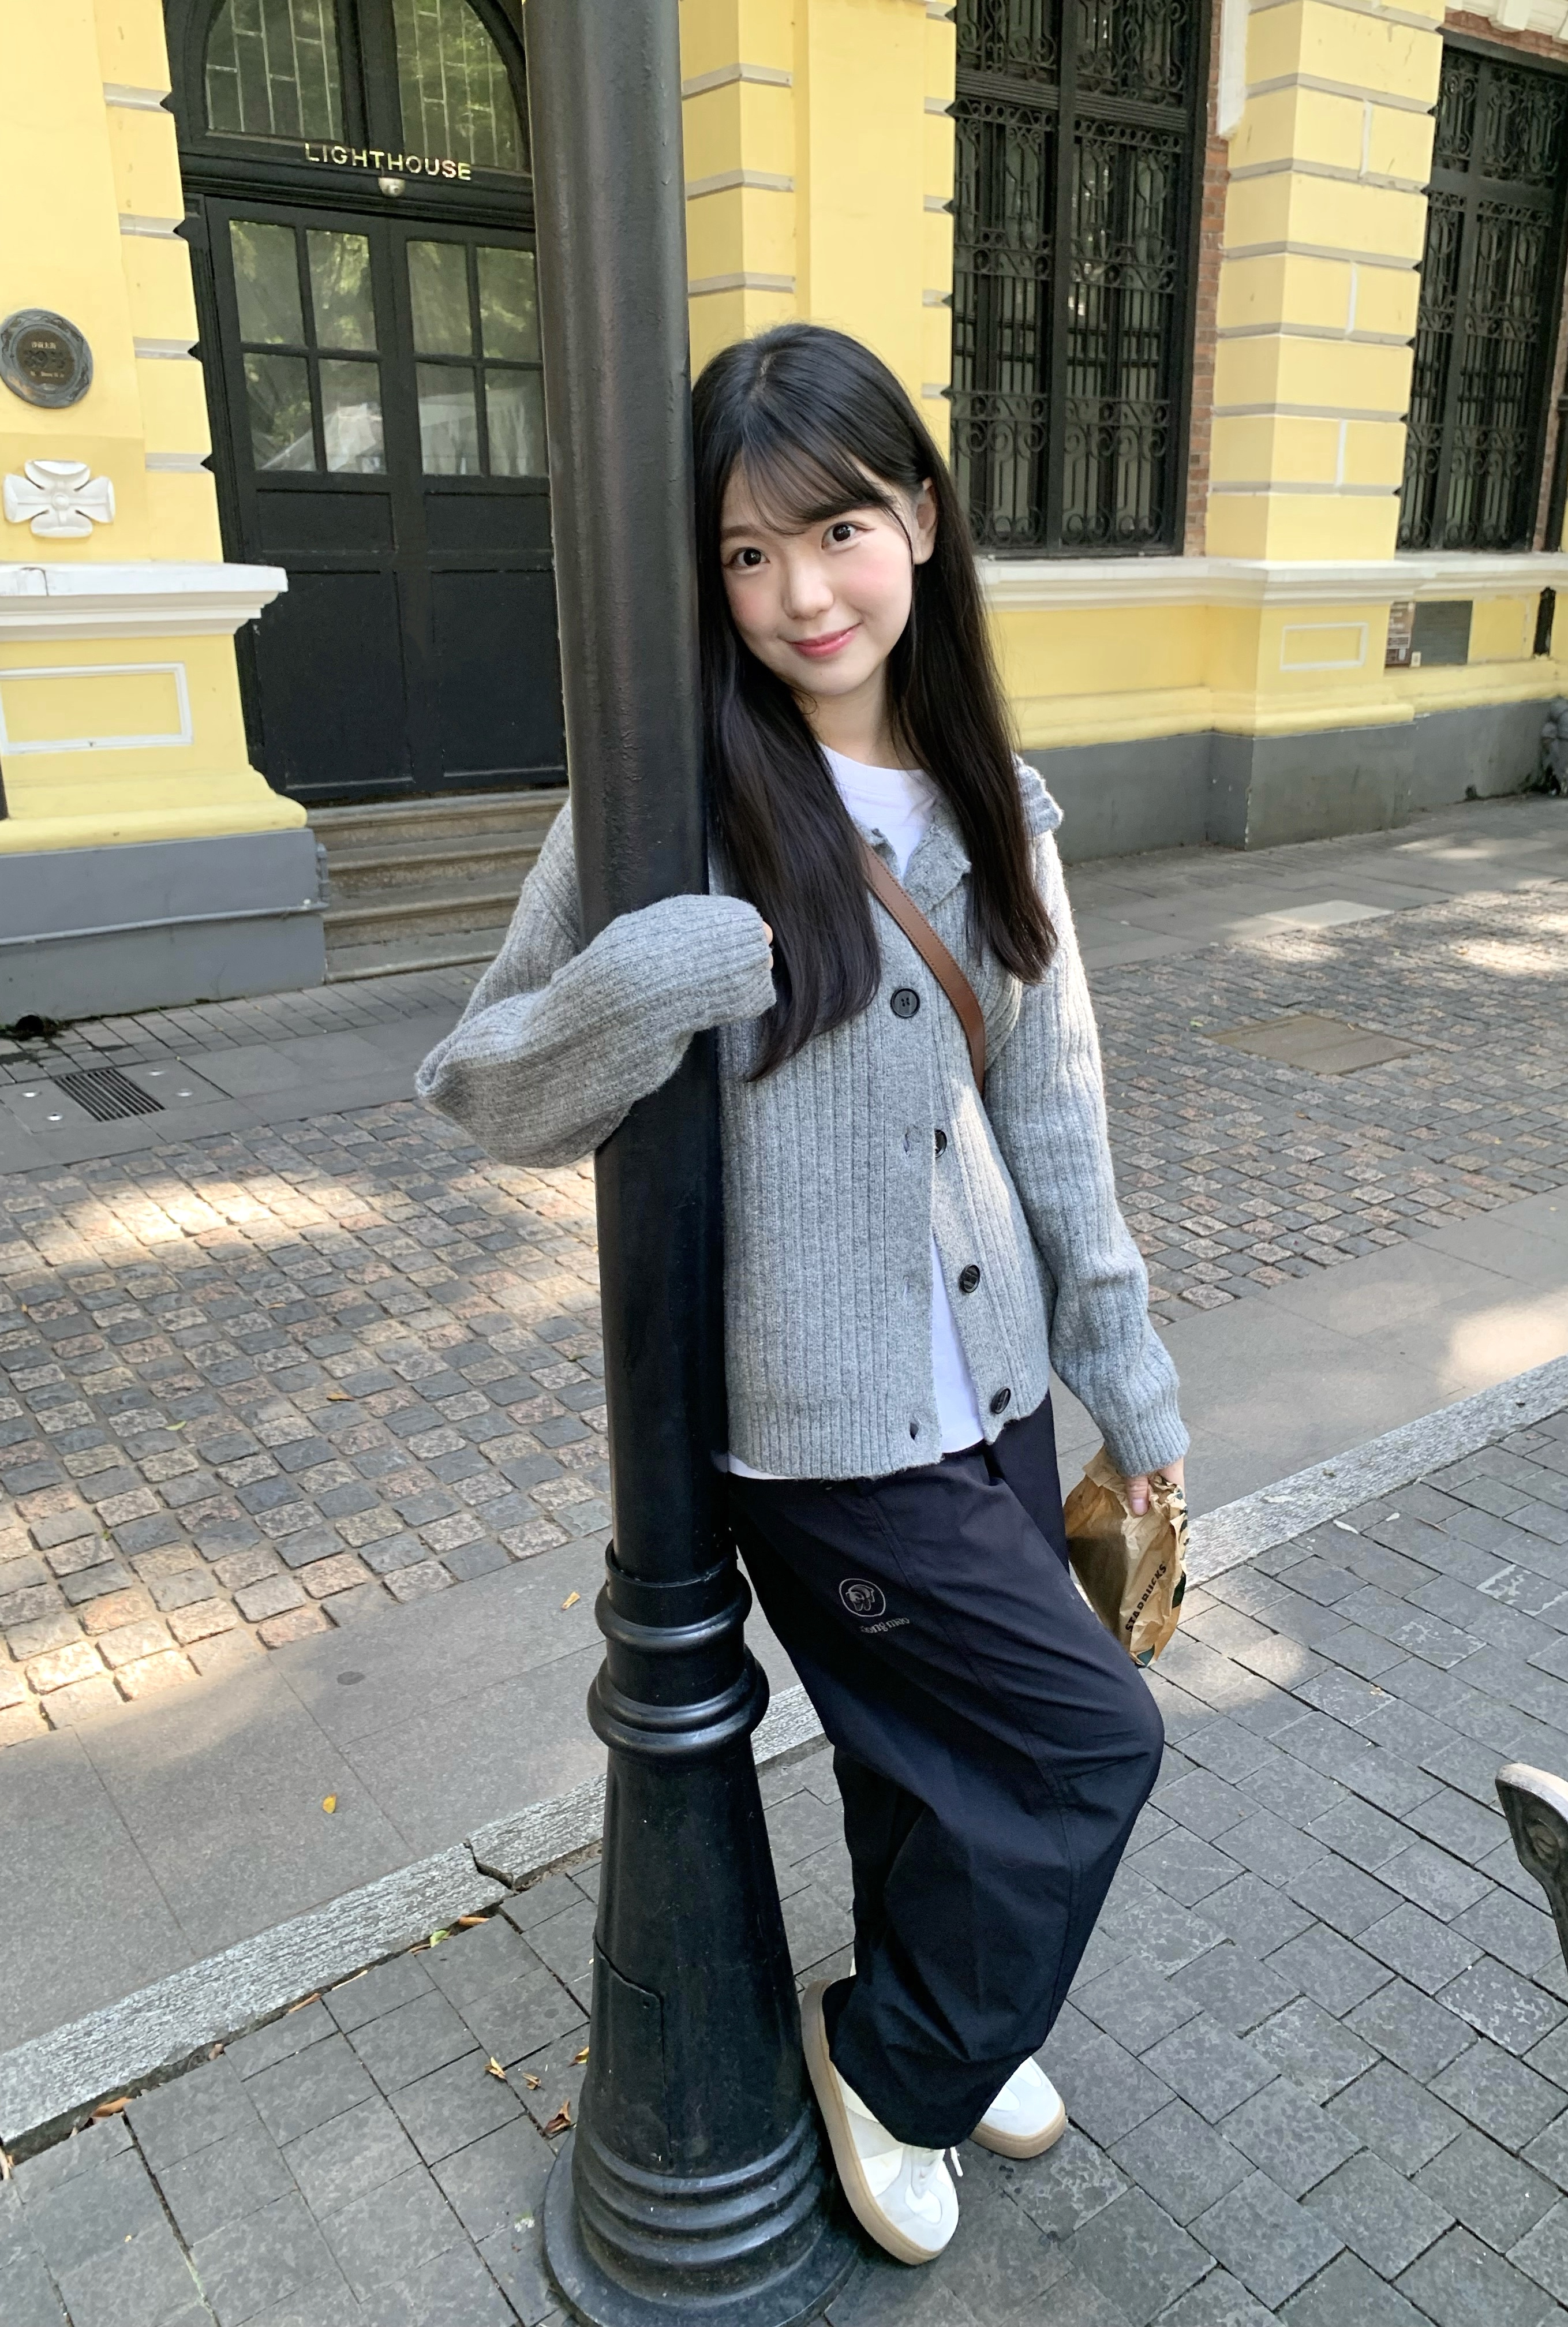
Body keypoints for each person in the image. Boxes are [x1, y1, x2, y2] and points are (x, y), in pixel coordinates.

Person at [417, 323, 1187, 2266]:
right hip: (826, 1434)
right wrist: (639, 984)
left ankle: (953, 2011)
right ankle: (899, 2057)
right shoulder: (664, 799)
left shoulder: (993, 798)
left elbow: (1058, 1113)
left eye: (834, 531)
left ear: (918, 517)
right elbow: (482, 1085)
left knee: (920, 1761)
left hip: (993, 1391)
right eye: (746, 555)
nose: (799, 595)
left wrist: (1128, 1382)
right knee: (1091, 1744)